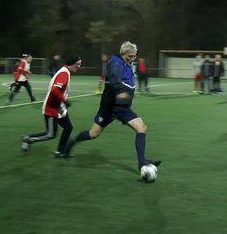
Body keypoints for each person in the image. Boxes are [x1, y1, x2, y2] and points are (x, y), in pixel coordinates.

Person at [60, 41, 161, 171]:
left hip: (123, 108)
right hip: (109, 108)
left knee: (142, 128)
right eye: (129, 56)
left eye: (134, 56)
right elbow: (114, 79)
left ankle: (142, 163)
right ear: (122, 54)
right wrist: (120, 92)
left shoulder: (127, 64)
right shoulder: (115, 64)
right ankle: (71, 143)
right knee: (93, 133)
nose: (132, 59)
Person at [21, 57, 82, 153]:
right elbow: (54, 90)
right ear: (71, 63)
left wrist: (63, 102)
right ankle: (28, 139)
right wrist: (64, 100)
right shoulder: (64, 73)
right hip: (52, 108)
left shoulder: (65, 71)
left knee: (68, 127)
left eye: (80, 64)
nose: (79, 67)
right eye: (77, 64)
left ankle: (60, 151)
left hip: (59, 107)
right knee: (50, 134)